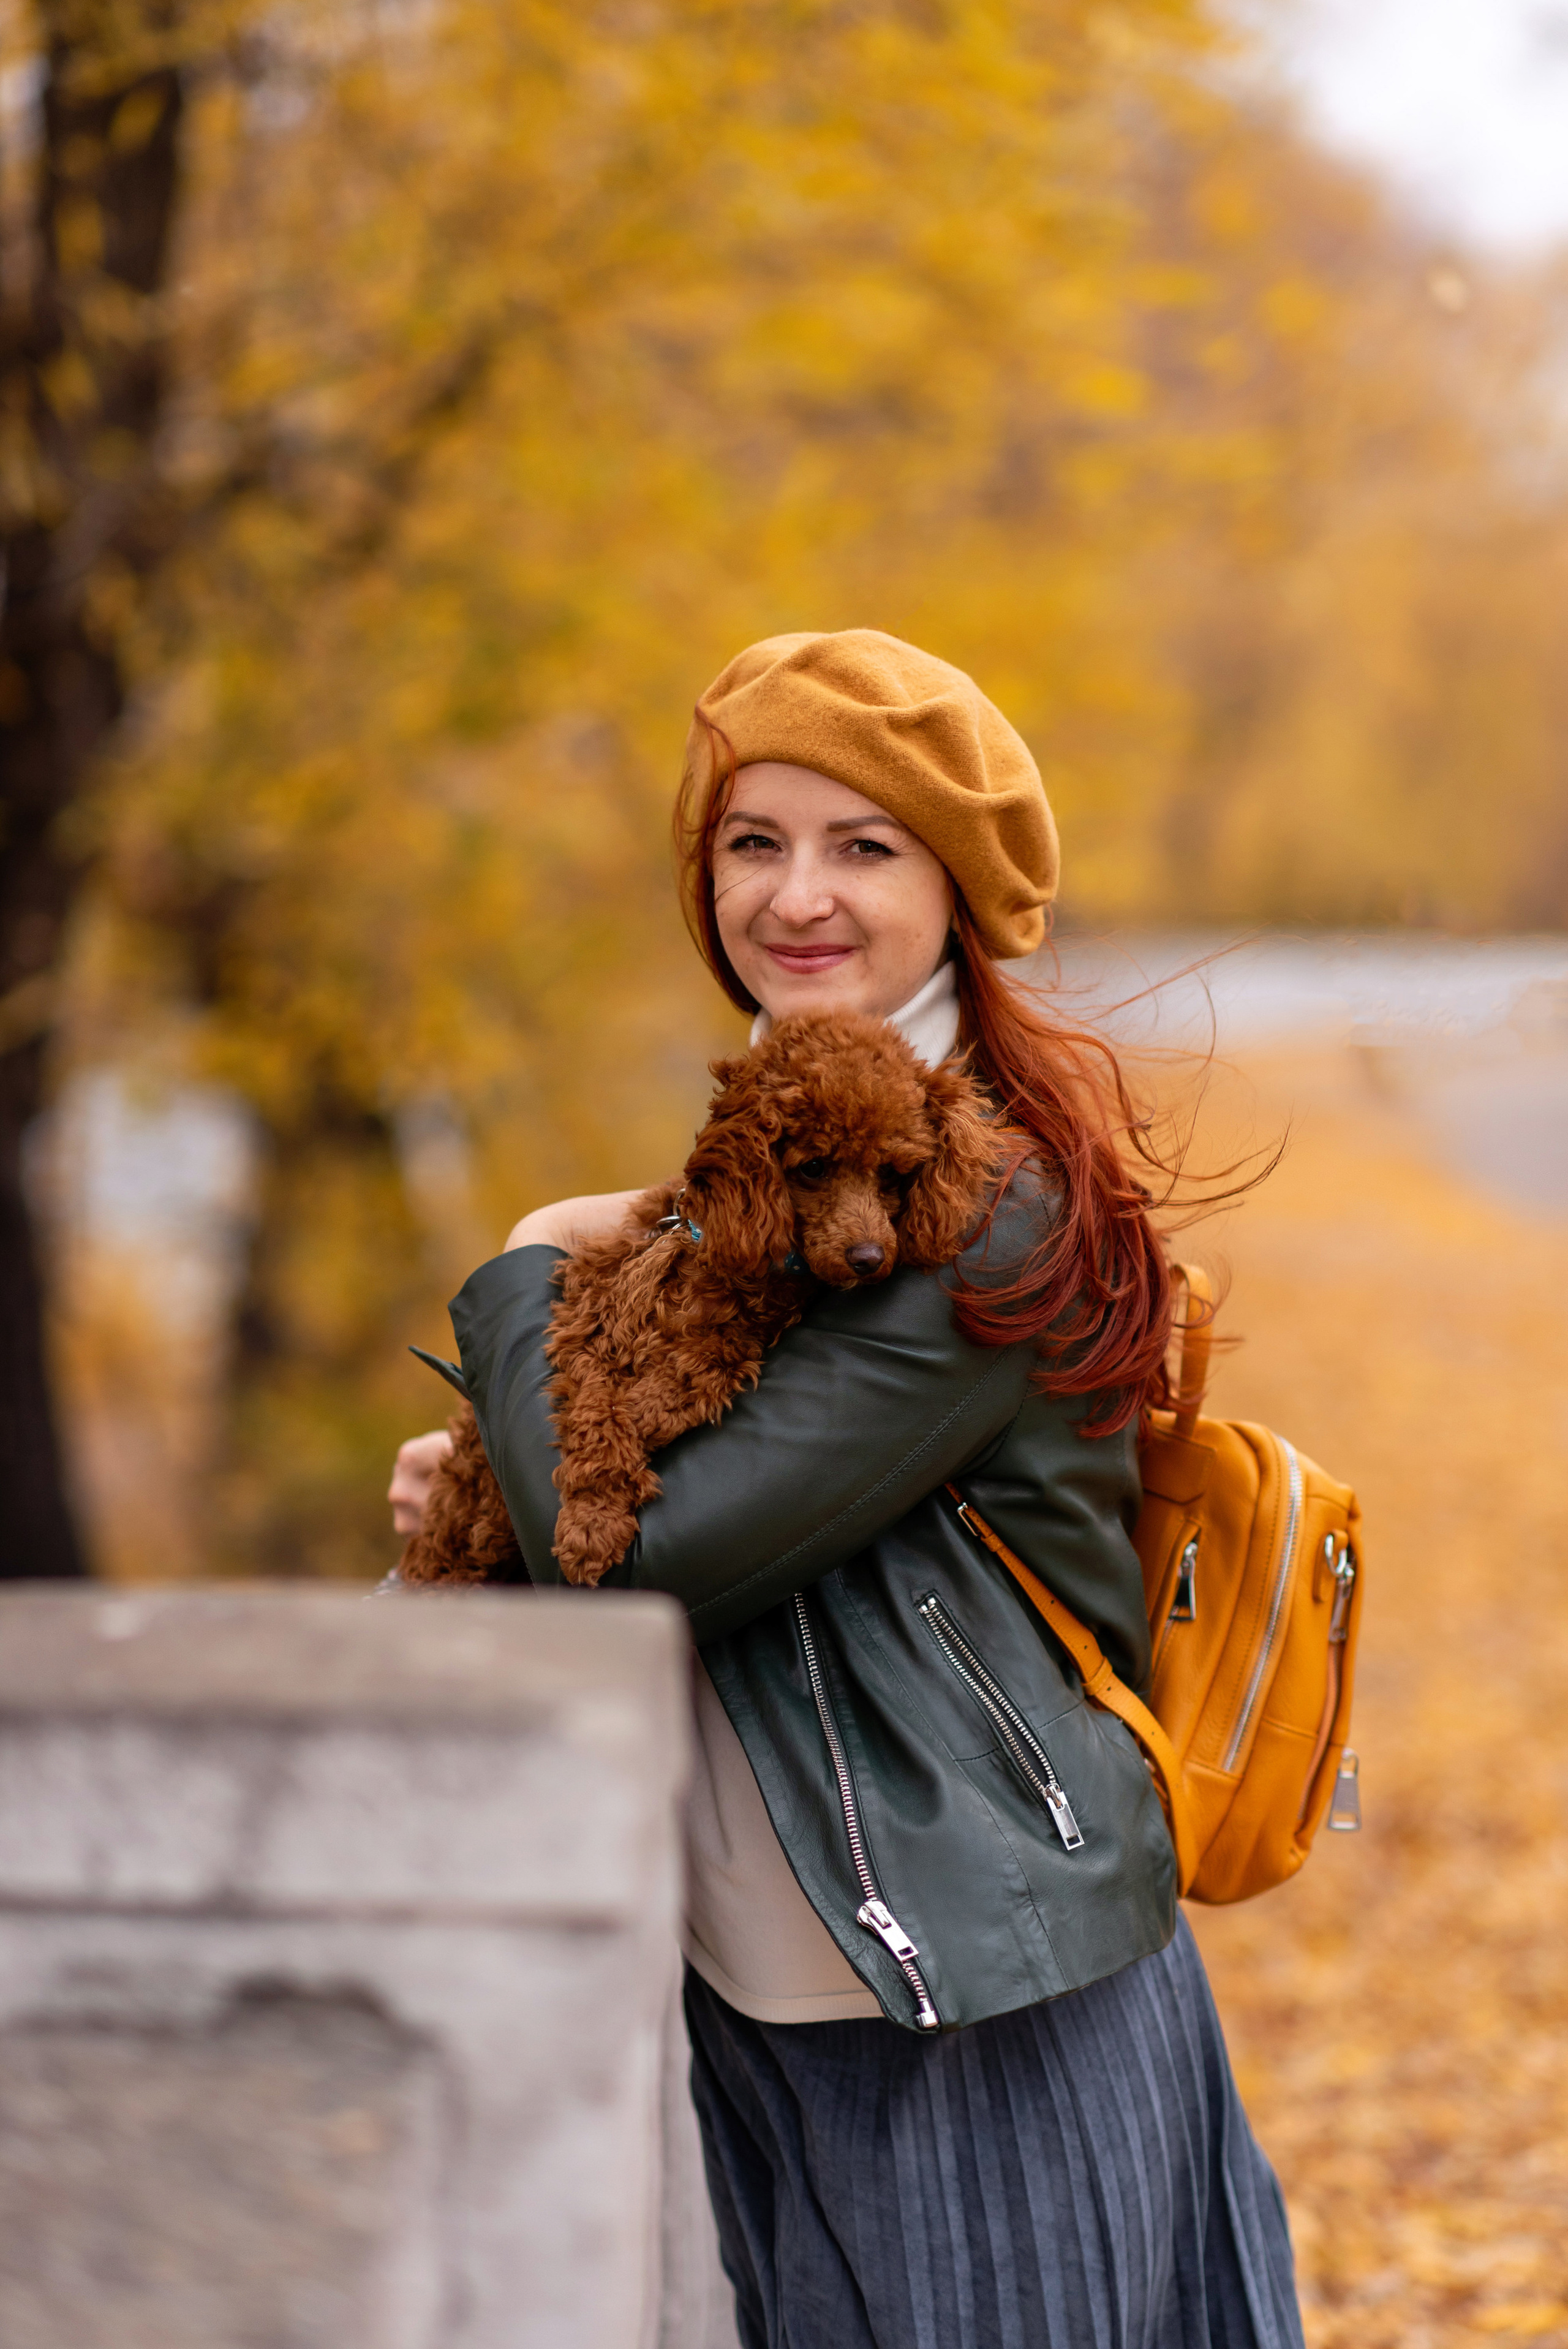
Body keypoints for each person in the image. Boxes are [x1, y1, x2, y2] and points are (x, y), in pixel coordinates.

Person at [389, 630, 1305, 2349]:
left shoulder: (976, 1212)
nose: (793, 894)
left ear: (955, 887)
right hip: (797, 1972)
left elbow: (642, 1569)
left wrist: (519, 1264)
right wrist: (481, 1477)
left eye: (862, 846)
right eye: (752, 842)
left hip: (964, 1991)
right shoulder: (780, 1181)